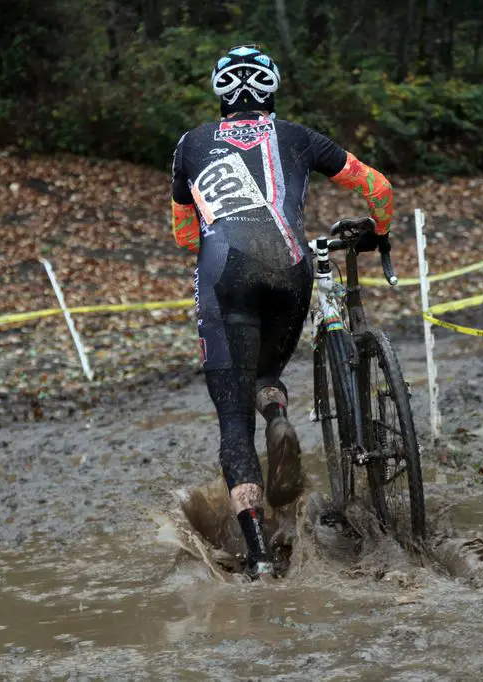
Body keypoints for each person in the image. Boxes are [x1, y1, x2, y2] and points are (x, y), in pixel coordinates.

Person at [170, 45, 394, 579]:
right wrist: (378, 233)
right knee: (267, 373)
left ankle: (260, 557)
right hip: (290, 267)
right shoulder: (297, 136)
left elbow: (183, 234)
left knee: (231, 424)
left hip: (225, 276)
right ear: (273, 89)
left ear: (220, 93)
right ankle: (278, 417)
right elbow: (377, 186)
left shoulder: (191, 144)